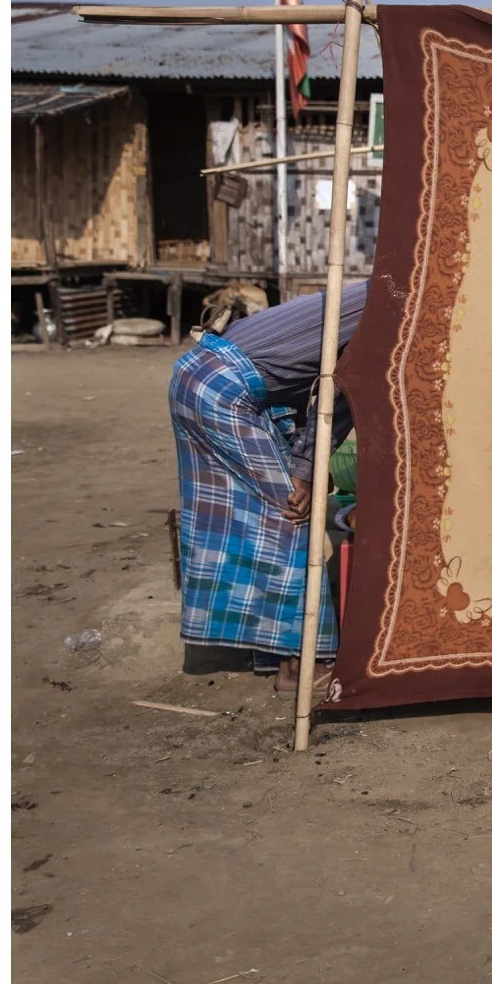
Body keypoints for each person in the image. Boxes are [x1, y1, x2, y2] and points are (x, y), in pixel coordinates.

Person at [168, 280, 368, 692]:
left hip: (198, 375)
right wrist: (307, 468)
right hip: (223, 390)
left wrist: (305, 460)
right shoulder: (390, 308)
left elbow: (306, 382)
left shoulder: (371, 291)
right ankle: (297, 667)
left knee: (247, 519)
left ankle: (266, 644)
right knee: (290, 515)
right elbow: (339, 394)